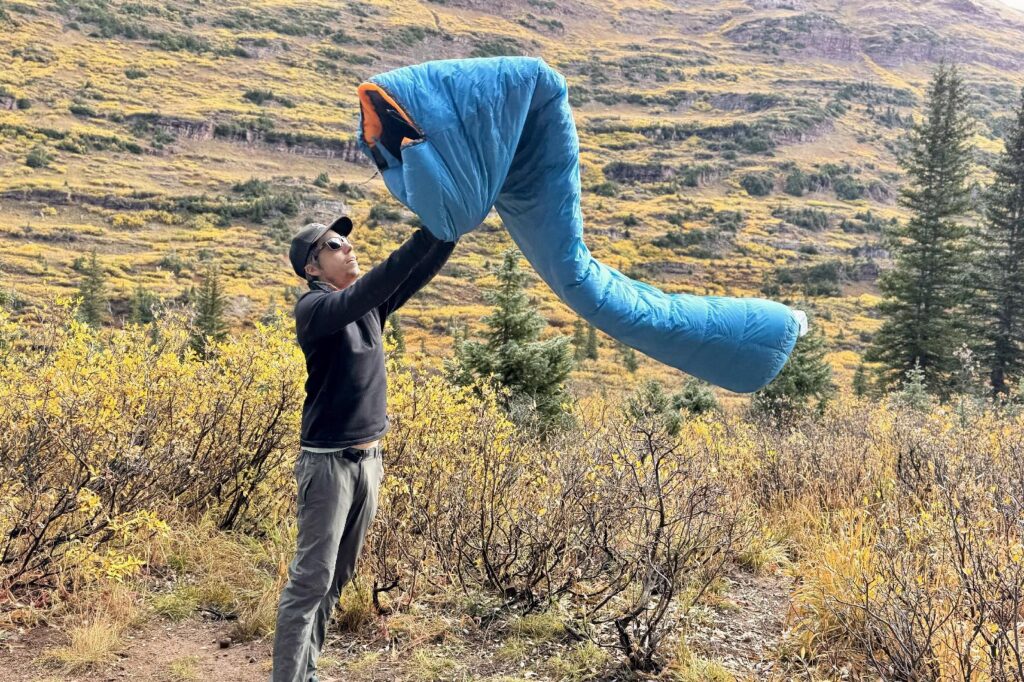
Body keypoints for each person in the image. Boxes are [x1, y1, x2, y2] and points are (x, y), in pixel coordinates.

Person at [272, 213, 456, 682]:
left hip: (368, 461)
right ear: (312, 268)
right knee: (310, 580)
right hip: (328, 464)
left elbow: (416, 272)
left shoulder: (366, 308)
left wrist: (450, 227)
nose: (349, 248)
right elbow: (378, 283)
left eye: (347, 242)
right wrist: (424, 233)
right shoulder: (314, 309)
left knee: (335, 579)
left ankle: (305, 673)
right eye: (336, 245)